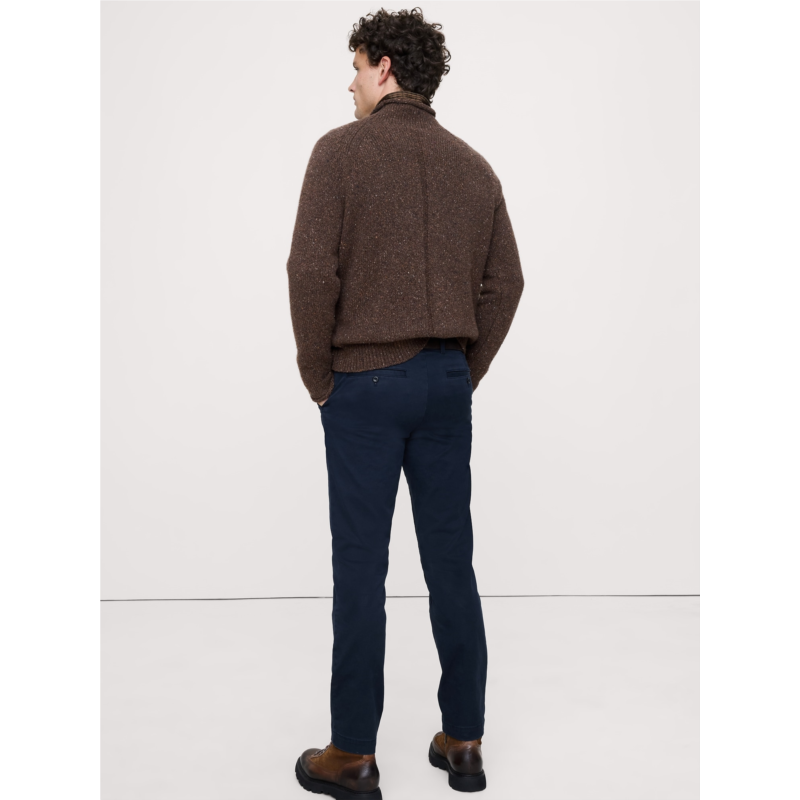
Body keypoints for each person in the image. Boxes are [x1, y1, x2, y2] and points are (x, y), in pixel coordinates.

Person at [286, 7, 524, 797]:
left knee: (361, 568)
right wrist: (460, 370)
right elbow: (506, 284)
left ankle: (353, 754)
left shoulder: (339, 151)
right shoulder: (473, 167)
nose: (351, 84)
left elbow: (310, 272)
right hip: (444, 383)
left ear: (384, 67)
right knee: (451, 561)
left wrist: (320, 376)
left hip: (364, 384)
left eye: (357, 68)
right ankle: (465, 740)